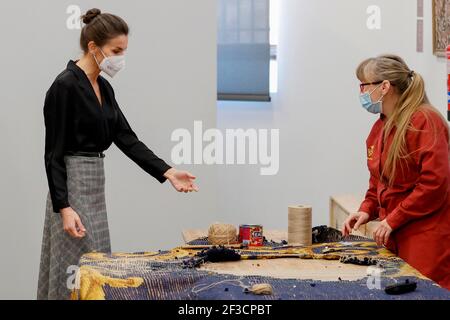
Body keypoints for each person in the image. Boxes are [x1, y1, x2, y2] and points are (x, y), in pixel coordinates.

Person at [37, 8, 198, 299]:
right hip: (72, 188)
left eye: (124, 50)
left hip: (95, 186)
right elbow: (53, 154)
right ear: (93, 47)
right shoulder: (64, 86)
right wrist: (64, 207)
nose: (120, 58)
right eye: (116, 50)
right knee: (74, 270)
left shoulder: (104, 87)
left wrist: (168, 171)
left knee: (98, 266)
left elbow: (125, 137)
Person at [342, 54, 450, 290]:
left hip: (425, 235)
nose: (361, 93)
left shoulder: (425, 121)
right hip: (392, 233)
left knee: (425, 292)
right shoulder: (381, 126)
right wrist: (366, 210)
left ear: (384, 87)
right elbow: (378, 182)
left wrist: (394, 218)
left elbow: (434, 184)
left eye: (364, 85)